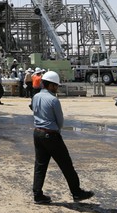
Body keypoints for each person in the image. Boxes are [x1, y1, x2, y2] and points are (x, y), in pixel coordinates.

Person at [31, 70, 94, 204]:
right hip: (51, 134)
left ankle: (37, 194)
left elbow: (33, 108)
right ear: (51, 85)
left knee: (40, 165)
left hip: (37, 133)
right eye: (56, 86)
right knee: (66, 164)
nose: (57, 88)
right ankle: (76, 192)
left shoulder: (36, 96)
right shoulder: (54, 100)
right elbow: (60, 121)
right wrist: (56, 131)